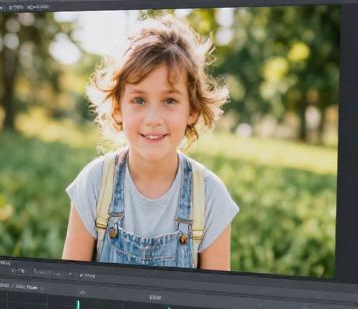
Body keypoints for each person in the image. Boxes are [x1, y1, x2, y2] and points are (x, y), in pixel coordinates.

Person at [62, 14, 237, 270]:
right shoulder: (95, 184)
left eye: (169, 101)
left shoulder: (210, 196)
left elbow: (213, 294)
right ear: (118, 108)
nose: (153, 119)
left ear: (192, 110)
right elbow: (70, 285)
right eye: (139, 100)